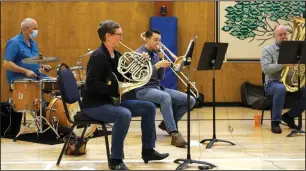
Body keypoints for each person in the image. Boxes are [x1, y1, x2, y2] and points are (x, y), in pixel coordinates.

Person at [81, 20, 169, 170]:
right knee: (123, 114)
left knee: (149, 108)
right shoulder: (99, 56)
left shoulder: (115, 54)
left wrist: (141, 63)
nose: (121, 38)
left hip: (111, 101)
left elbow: (124, 76)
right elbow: (91, 84)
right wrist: (115, 90)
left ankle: (148, 150)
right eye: (119, 35)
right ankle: (115, 160)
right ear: (108, 36)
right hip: (95, 104)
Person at [135, 29, 196, 147]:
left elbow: (160, 77)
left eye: (160, 40)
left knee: (190, 100)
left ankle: (167, 125)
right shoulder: (139, 53)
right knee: (165, 97)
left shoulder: (156, 54)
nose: (158, 43)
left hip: (157, 87)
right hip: (143, 90)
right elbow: (140, 77)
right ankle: (174, 133)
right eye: (155, 40)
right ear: (147, 39)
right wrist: (156, 66)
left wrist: (161, 61)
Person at [260, 25, 306, 134]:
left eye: (285, 34)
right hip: (272, 83)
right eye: (280, 35)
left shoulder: (295, 50)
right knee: (280, 88)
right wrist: (283, 64)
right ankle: (275, 121)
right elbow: (266, 69)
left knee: (305, 91)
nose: (283, 36)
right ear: (274, 37)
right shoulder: (268, 50)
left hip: (290, 83)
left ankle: (289, 116)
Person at [3, 18, 51, 84]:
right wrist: (26, 71)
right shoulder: (14, 42)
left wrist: (41, 65)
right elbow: (6, 63)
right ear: (27, 29)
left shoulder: (33, 43)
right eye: (35, 28)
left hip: (35, 77)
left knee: (57, 82)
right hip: (20, 79)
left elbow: (31, 61)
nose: (36, 31)